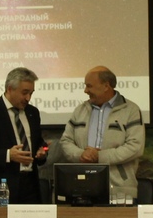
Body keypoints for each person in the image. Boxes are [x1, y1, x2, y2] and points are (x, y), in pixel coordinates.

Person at [58, 66, 144, 201]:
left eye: (89, 86)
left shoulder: (130, 110)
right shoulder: (80, 110)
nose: (85, 90)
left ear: (106, 86)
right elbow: (65, 141)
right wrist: (81, 155)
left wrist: (99, 157)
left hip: (119, 190)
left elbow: (135, 147)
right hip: (81, 188)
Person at [0, 67, 49, 203]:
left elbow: (39, 143)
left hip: (30, 187)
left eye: (31, 93)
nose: (28, 98)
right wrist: (8, 155)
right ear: (10, 89)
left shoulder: (32, 112)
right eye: (25, 93)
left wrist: (42, 152)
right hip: (1, 186)